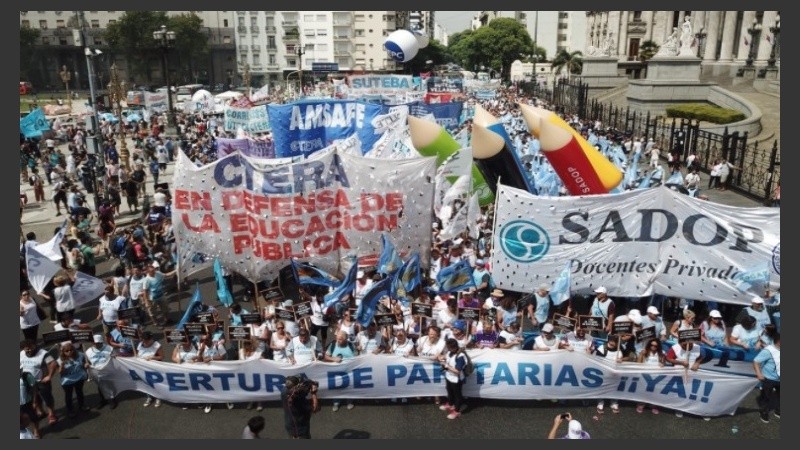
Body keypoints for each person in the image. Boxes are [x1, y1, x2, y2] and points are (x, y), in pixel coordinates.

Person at [20, 340, 58, 426]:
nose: (29, 351)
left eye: (31, 348)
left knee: (47, 398)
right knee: (35, 398)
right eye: (27, 349)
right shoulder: (22, 353)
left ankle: (51, 414)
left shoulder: (44, 354)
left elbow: (53, 363)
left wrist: (49, 376)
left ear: (35, 346)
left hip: (41, 381)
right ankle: (41, 411)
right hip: (28, 382)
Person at [324, 331, 357, 411]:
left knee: (349, 386)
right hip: (336, 371)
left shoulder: (351, 345)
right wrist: (333, 359)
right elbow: (326, 356)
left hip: (348, 370)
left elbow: (356, 357)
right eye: (337, 339)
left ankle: (349, 401)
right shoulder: (332, 345)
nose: (338, 341)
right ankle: (336, 402)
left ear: (346, 339)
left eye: (341, 339)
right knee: (336, 387)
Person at [438, 338, 468, 419]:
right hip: (449, 376)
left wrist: (447, 366)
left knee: (457, 395)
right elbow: (444, 356)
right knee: (449, 391)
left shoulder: (460, 356)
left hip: (456, 379)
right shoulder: (450, 352)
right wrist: (441, 357)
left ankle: (457, 411)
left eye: (448, 348)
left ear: (454, 347)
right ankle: (450, 404)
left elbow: (457, 371)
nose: (447, 349)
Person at [752, 333, 780, 423]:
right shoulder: (768, 351)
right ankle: (764, 412)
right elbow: (756, 361)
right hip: (769, 379)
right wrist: (759, 373)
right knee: (766, 397)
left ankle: (778, 410)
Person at [85, 334, 116, 409]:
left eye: (99, 343)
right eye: (96, 343)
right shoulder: (88, 351)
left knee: (109, 385)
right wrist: (86, 364)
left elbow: (116, 357)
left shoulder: (109, 348)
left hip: (107, 370)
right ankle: (103, 400)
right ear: (93, 343)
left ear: (102, 342)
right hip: (96, 372)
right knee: (100, 386)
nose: (97, 344)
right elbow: (88, 362)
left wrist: (114, 356)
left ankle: (111, 400)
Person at [57, 342, 89, 418]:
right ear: (63, 352)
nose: (69, 352)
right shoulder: (60, 360)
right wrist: (61, 366)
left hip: (79, 378)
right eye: (67, 351)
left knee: (79, 392)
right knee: (69, 396)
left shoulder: (80, 355)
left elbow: (84, 364)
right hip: (67, 381)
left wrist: (86, 365)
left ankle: (82, 405)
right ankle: (70, 410)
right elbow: (60, 372)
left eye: (71, 350)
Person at [636, 338, 666, 414]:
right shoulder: (644, 352)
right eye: (651, 345)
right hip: (645, 374)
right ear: (649, 345)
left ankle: (653, 405)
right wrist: (641, 354)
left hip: (656, 375)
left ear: (658, 346)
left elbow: (663, 364)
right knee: (644, 389)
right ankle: (641, 404)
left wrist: (662, 364)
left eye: (655, 346)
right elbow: (638, 364)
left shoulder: (662, 353)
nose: (653, 347)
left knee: (655, 390)